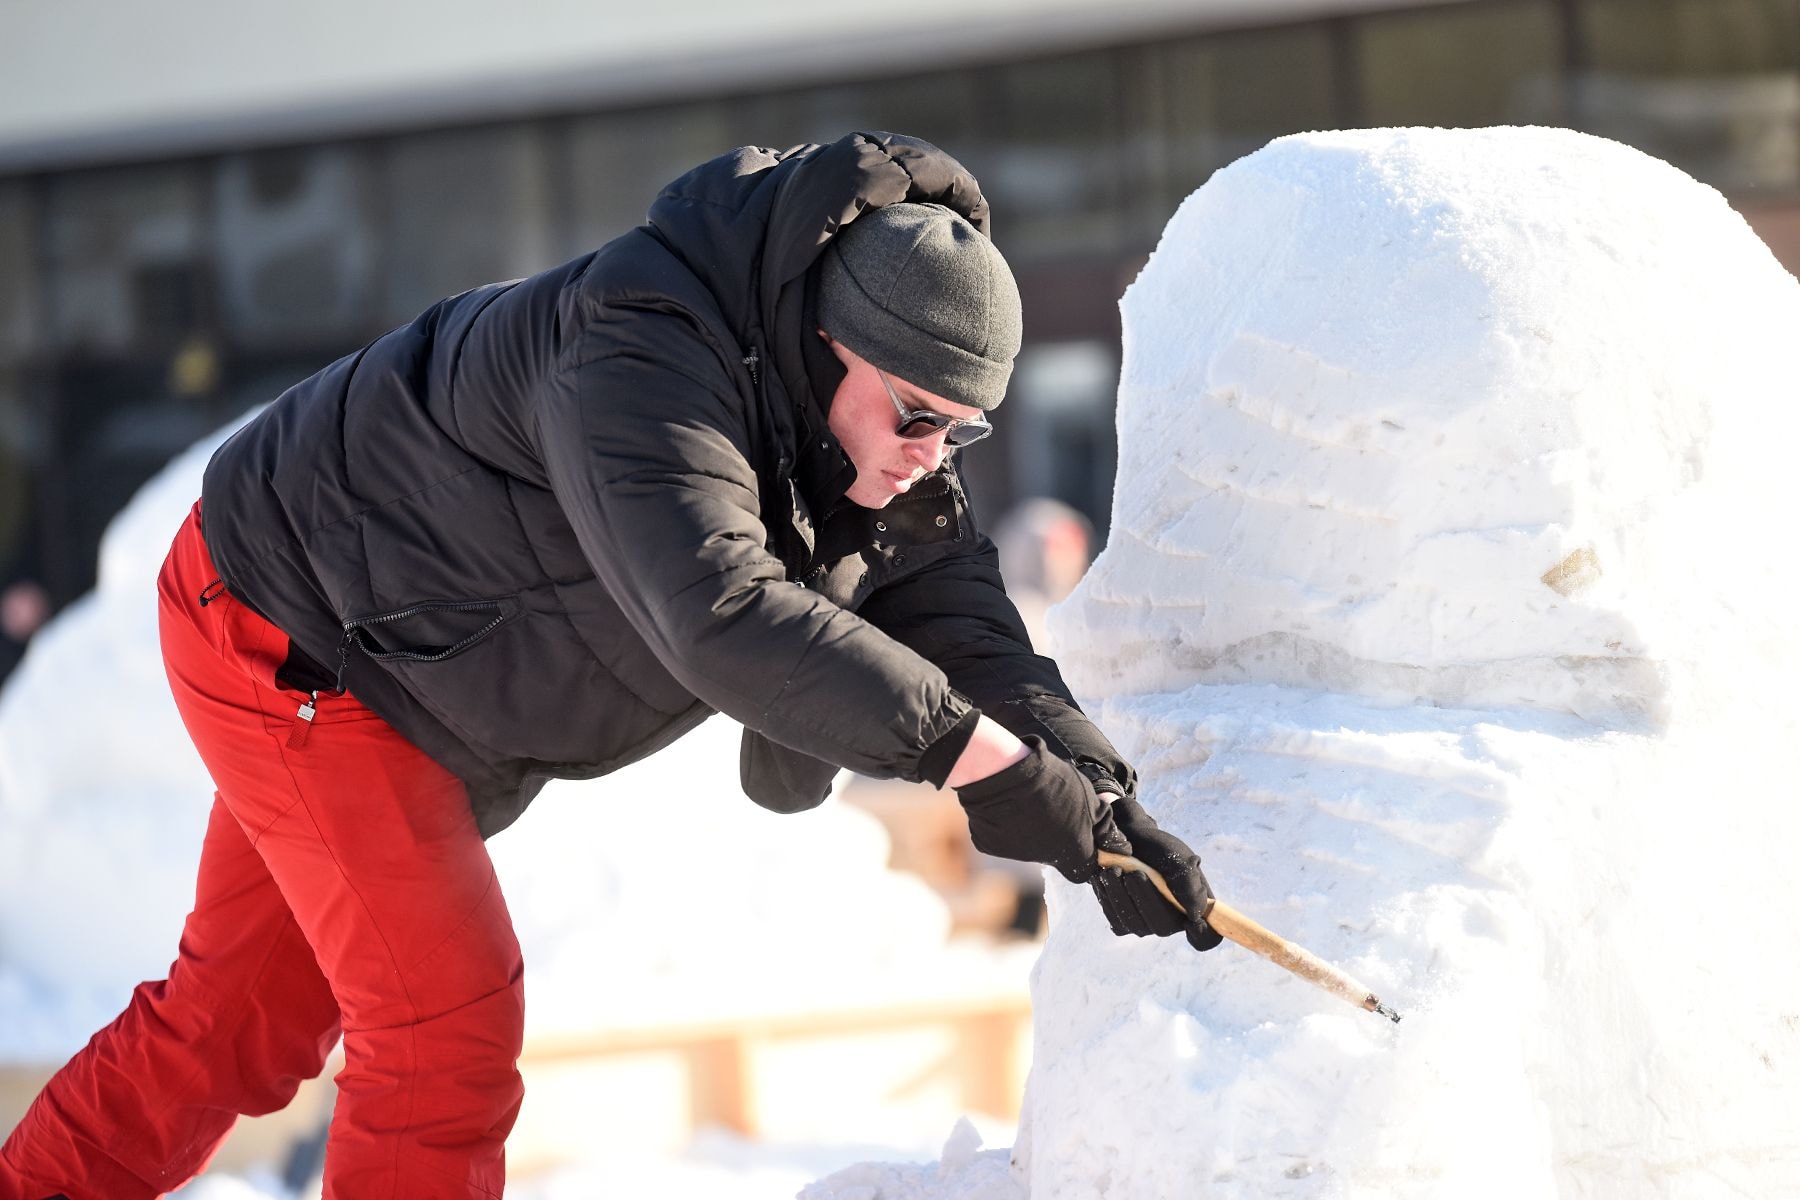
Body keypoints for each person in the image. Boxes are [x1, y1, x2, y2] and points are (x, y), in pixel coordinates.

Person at [0, 131, 1220, 1200]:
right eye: (914, 416)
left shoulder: (863, 431)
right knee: (444, 1030)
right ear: (828, 341)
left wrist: (1094, 785)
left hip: (400, 665)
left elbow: (964, 623)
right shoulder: (639, 360)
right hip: (292, 627)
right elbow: (722, 614)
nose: (931, 455)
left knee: (238, 1025)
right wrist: (980, 762)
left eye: (963, 433)